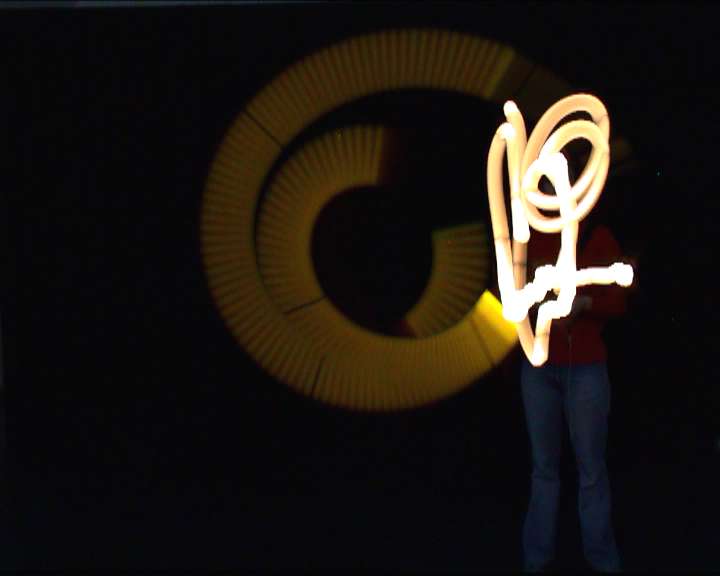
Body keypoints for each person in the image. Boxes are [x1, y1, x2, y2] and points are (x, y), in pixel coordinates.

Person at [520, 160, 627, 573]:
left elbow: (617, 302)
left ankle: (602, 559)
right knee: (543, 469)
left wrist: (585, 302)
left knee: (591, 469)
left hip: (586, 370)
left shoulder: (598, 236)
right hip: (540, 368)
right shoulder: (534, 237)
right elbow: (514, 294)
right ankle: (537, 558)